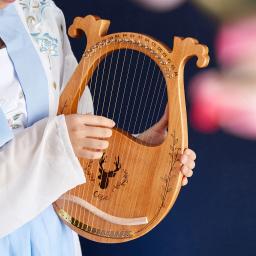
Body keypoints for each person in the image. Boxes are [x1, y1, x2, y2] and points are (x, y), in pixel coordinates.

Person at [0, 0, 196, 255]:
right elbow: (63, 142)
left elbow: (77, 155)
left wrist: (139, 159)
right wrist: (60, 144)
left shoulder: (40, 12)